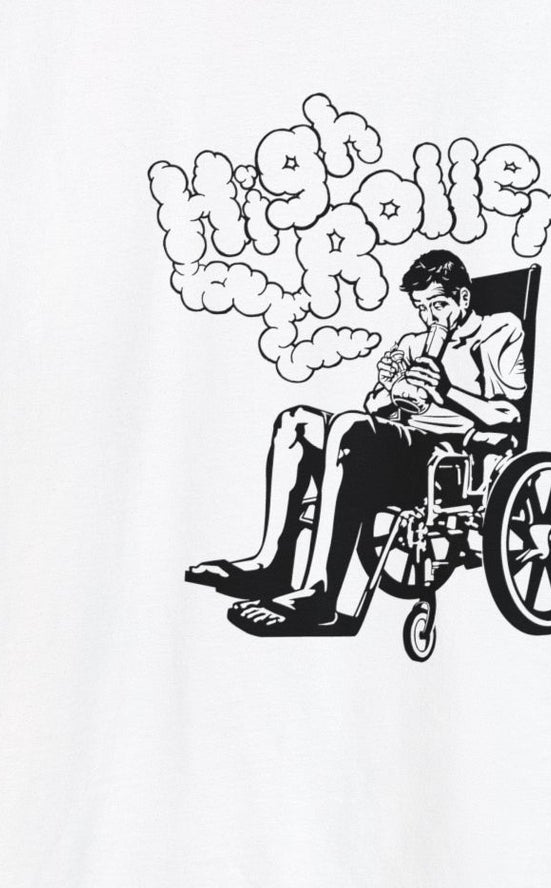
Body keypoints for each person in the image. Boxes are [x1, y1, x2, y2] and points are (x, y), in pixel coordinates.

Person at [186, 250, 526, 633]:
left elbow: (508, 416)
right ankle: (271, 566)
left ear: (463, 298)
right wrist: (392, 387)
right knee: (296, 422)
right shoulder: (413, 344)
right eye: (421, 308)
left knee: (349, 429)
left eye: (438, 306)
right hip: (404, 445)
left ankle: (319, 594)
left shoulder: (499, 330)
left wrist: (446, 391)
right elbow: (375, 406)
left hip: (453, 458)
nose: (430, 317)